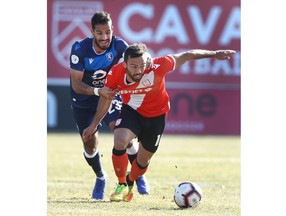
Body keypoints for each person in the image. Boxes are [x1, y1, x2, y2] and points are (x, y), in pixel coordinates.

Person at [82, 42, 236, 202]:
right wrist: (93, 125)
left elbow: (187, 55)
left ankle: (130, 180)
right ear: (125, 63)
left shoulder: (159, 65)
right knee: (120, 140)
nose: (139, 70)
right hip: (132, 111)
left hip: (157, 117)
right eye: (133, 66)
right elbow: (106, 99)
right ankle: (121, 184)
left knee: (142, 163)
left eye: (141, 65)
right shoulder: (115, 73)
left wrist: (214, 53)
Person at [69, 12, 150, 201]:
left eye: (108, 32)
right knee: (89, 143)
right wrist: (98, 92)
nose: (105, 37)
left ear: (112, 29)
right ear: (92, 32)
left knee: (123, 134)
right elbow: (76, 85)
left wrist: (149, 60)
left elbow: (139, 58)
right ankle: (100, 177)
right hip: (83, 100)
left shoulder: (120, 46)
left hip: (109, 96)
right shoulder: (79, 49)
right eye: (100, 33)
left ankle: (137, 175)